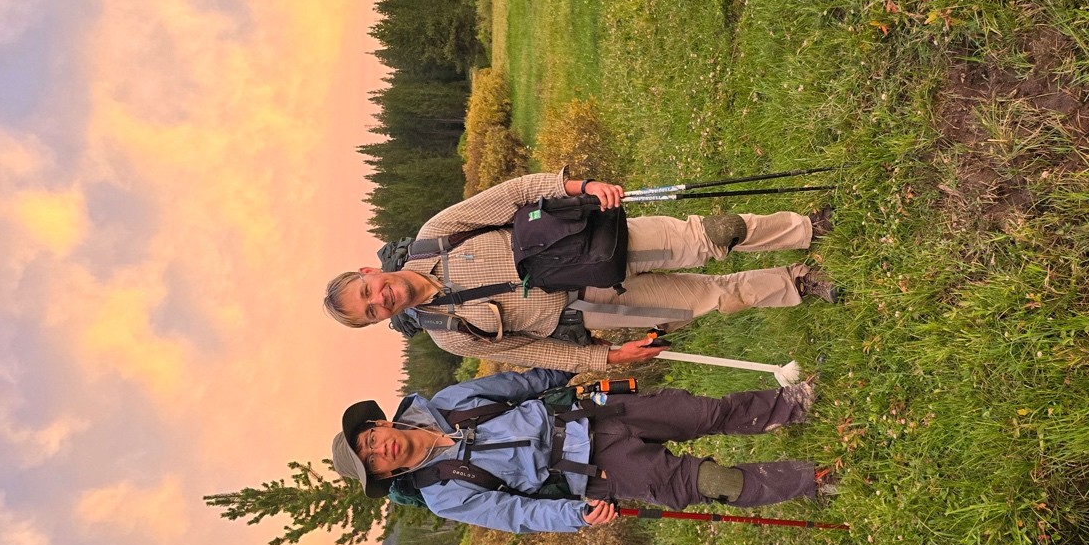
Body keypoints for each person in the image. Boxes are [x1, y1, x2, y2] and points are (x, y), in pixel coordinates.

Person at [323, 170, 838, 373]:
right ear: (377, 322)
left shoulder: (437, 233)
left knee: (710, 236)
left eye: (368, 290)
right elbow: (533, 352)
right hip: (592, 308)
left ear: (369, 270)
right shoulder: (448, 335)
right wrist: (608, 356)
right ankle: (795, 281)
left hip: (590, 244)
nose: (380, 300)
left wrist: (582, 189)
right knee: (713, 297)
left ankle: (805, 229)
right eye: (370, 312)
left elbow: (514, 195)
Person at [330, 367, 835, 534]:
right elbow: (515, 514)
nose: (380, 450)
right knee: (707, 483)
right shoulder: (442, 494)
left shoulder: (446, 401)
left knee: (703, 412)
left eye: (370, 440)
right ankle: (812, 480)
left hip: (593, 414)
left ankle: (794, 403)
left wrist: (574, 362)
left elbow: (519, 384)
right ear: (385, 475)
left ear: (378, 423)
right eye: (373, 461)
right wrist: (577, 515)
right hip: (592, 472)